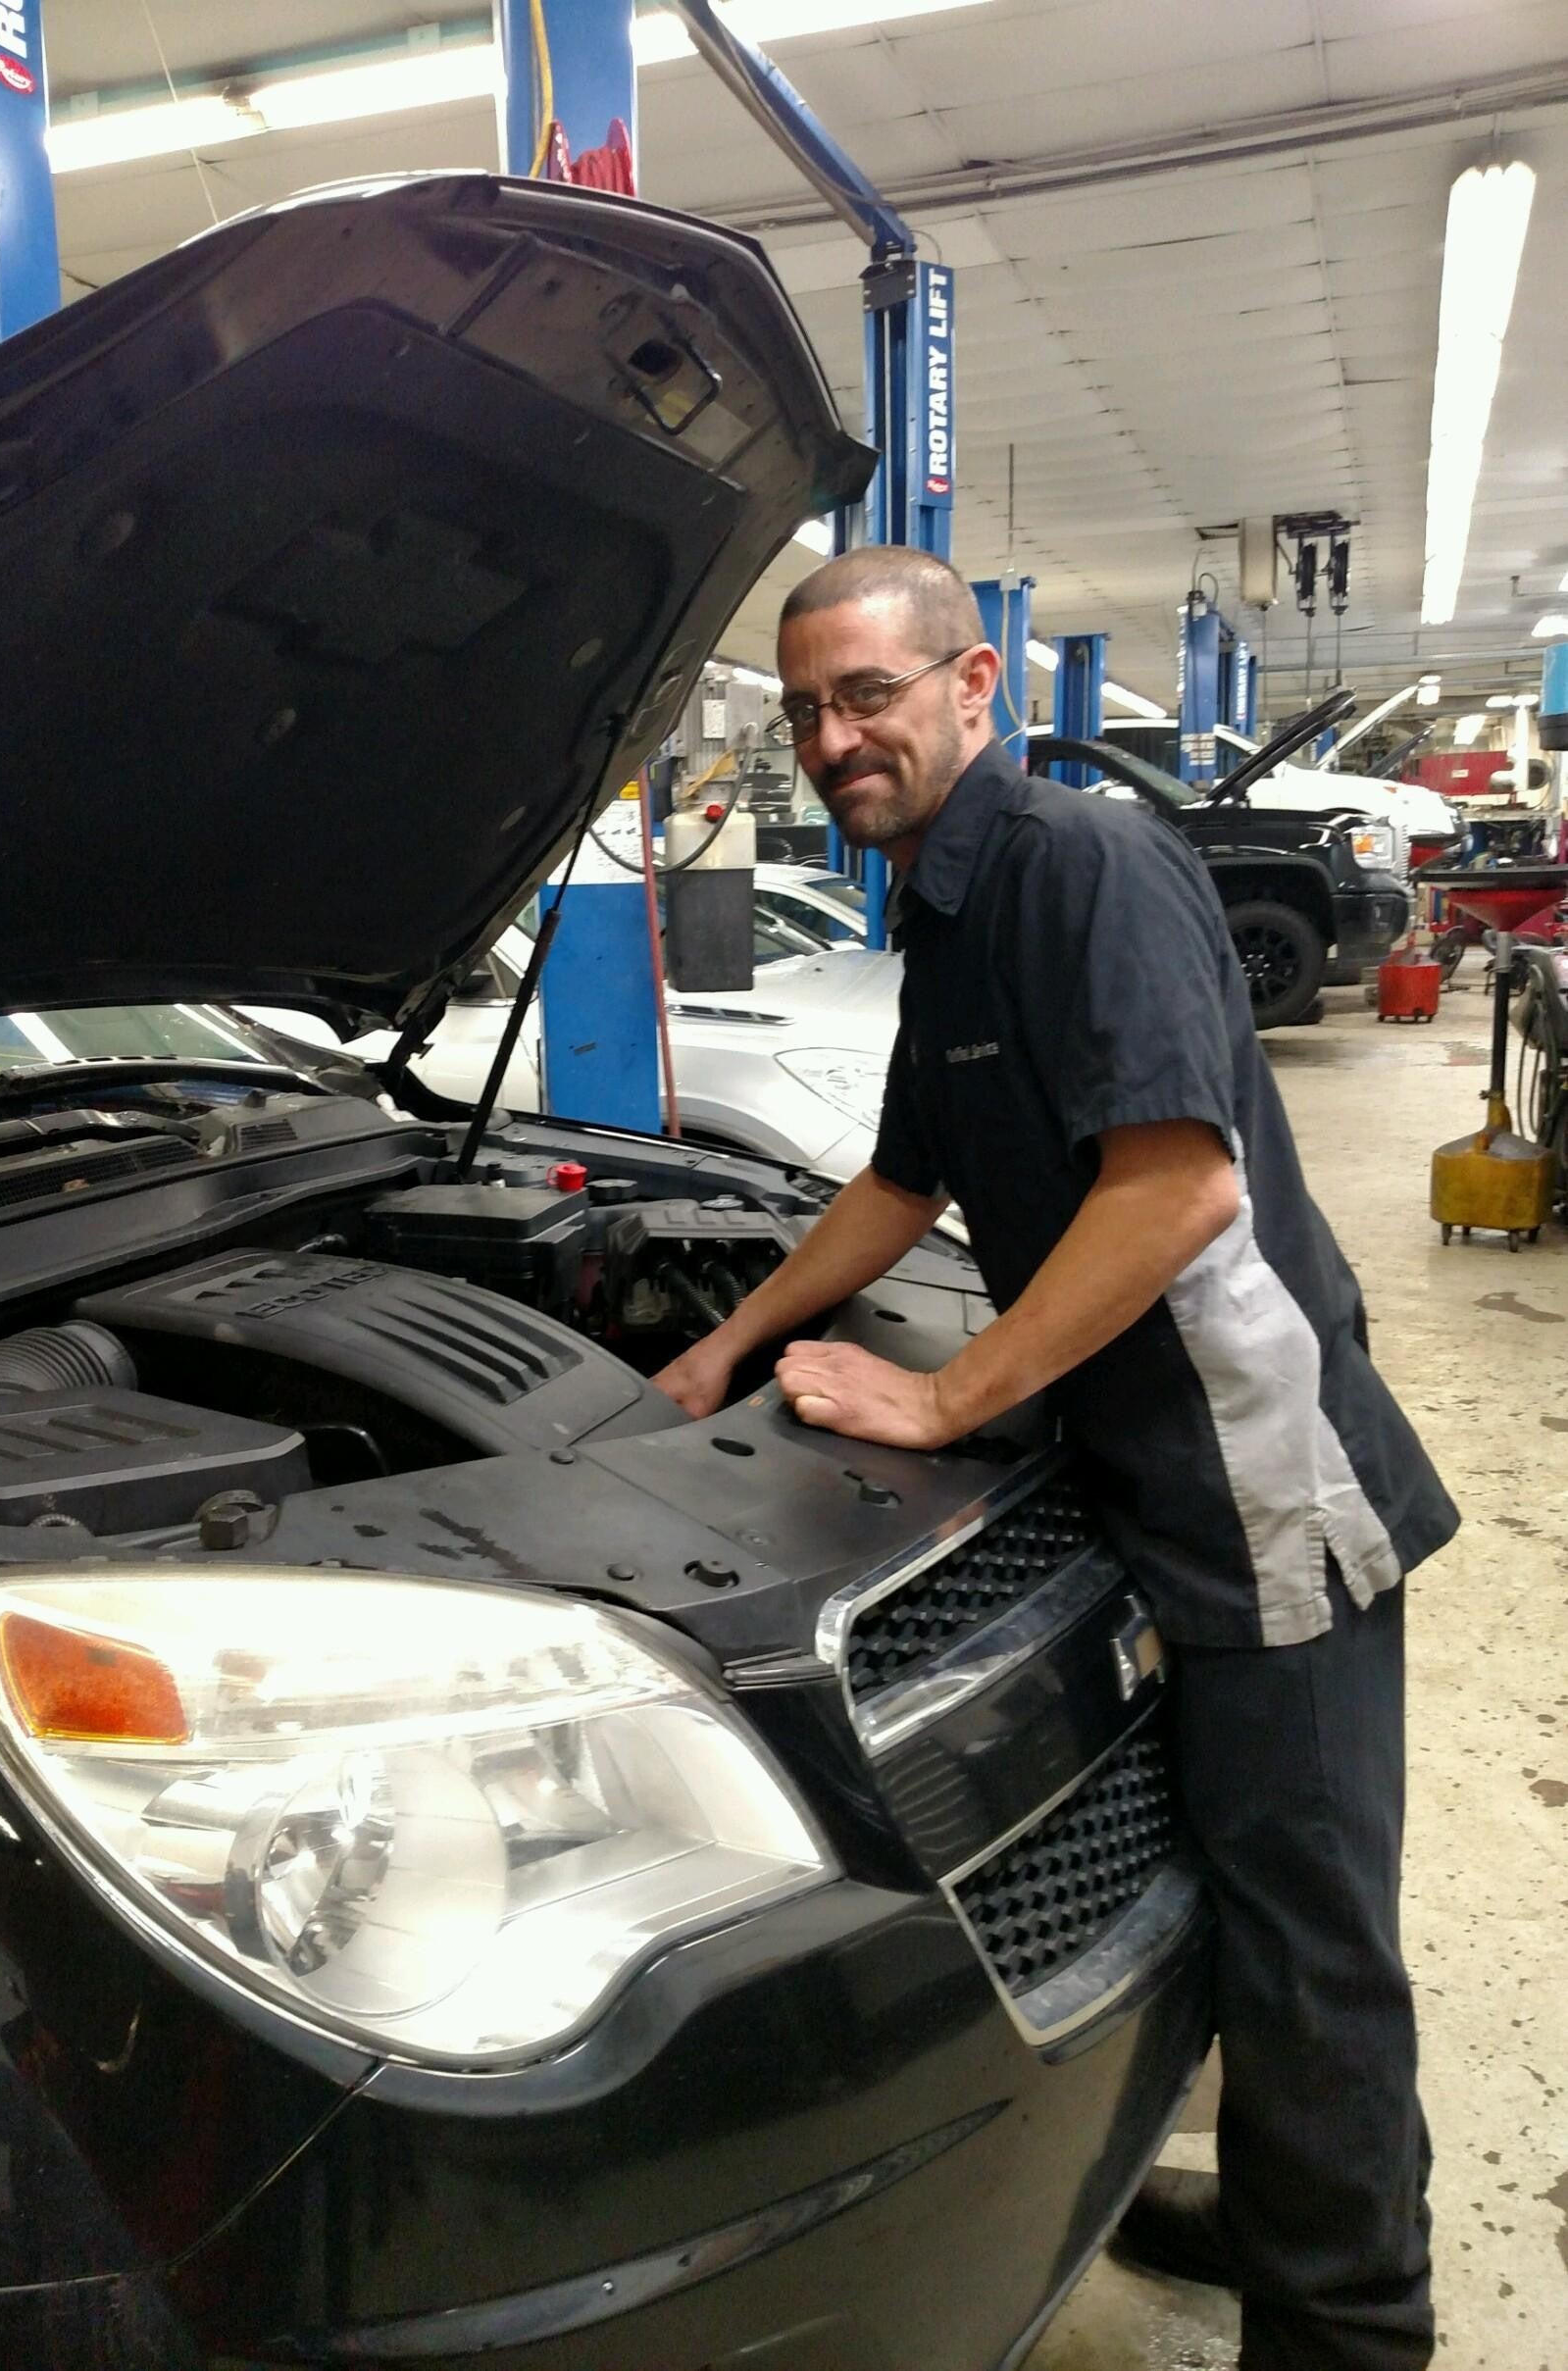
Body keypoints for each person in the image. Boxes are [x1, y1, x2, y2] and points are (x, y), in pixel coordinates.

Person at [652, 546, 1457, 2371]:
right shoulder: (937, 908)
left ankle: (1349, 2327)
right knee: (1233, 1880)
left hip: (1256, 1478)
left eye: (867, 693)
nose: (834, 736)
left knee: (1308, 1925)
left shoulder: (1079, 866)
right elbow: (898, 1178)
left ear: (972, 689)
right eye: (803, 710)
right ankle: (1277, 2209)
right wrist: (722, 1342)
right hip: (1131, 1462)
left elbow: (1178, 1184)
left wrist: (940, 1402)